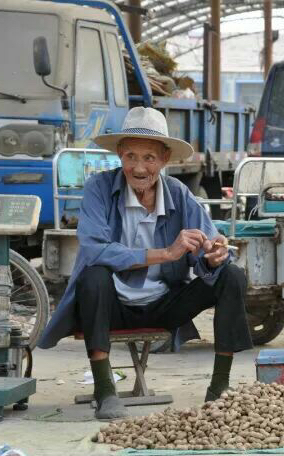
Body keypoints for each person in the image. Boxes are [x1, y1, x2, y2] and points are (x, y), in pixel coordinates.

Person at [37, 107, 253, 419]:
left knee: (231, 275)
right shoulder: (99, 188)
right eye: (130, 157)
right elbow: (95, 250)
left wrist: (216, 253)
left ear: (164, 159)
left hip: (164, 304)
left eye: (149, 158)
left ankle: (219, 386)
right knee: (93, 274)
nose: (139, 168)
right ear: (119, 156)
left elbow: (209, 241)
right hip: (111, 307)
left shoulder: (178, 193)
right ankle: (105, 389)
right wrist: (165, 253)